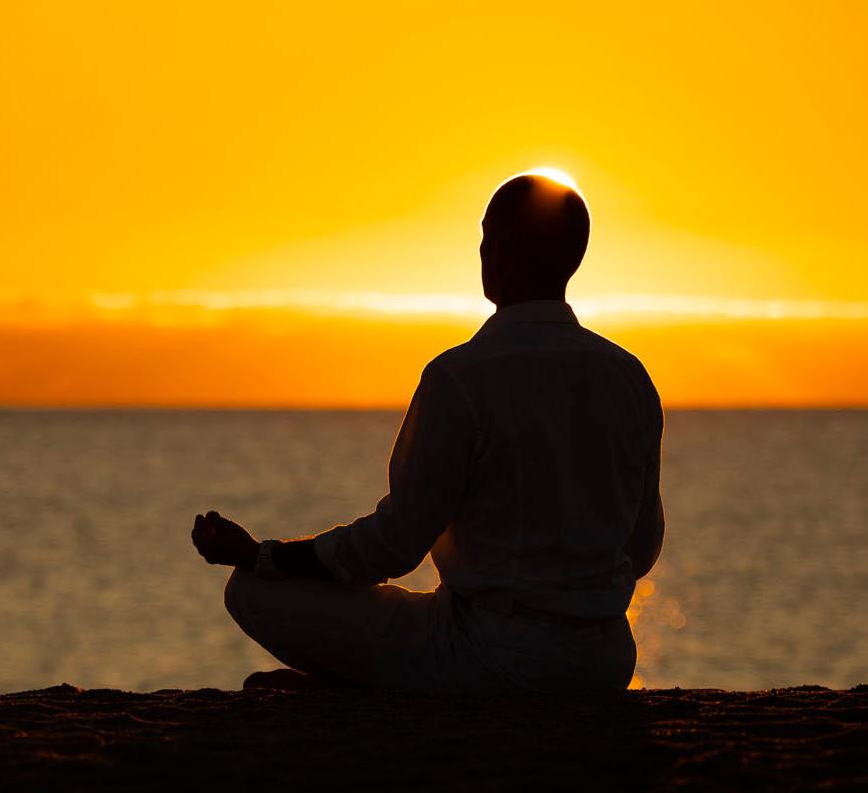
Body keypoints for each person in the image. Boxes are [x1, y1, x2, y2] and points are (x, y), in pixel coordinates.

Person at [190, 172, 664, 693]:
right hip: (604, 661)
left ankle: (359, 689)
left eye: (486, 237)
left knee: (250, 591)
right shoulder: (630, 377)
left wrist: (264, 556)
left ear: (497, 250)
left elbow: (395, 545)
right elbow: (641, 550)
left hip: (488, 656)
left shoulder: (460, 378)